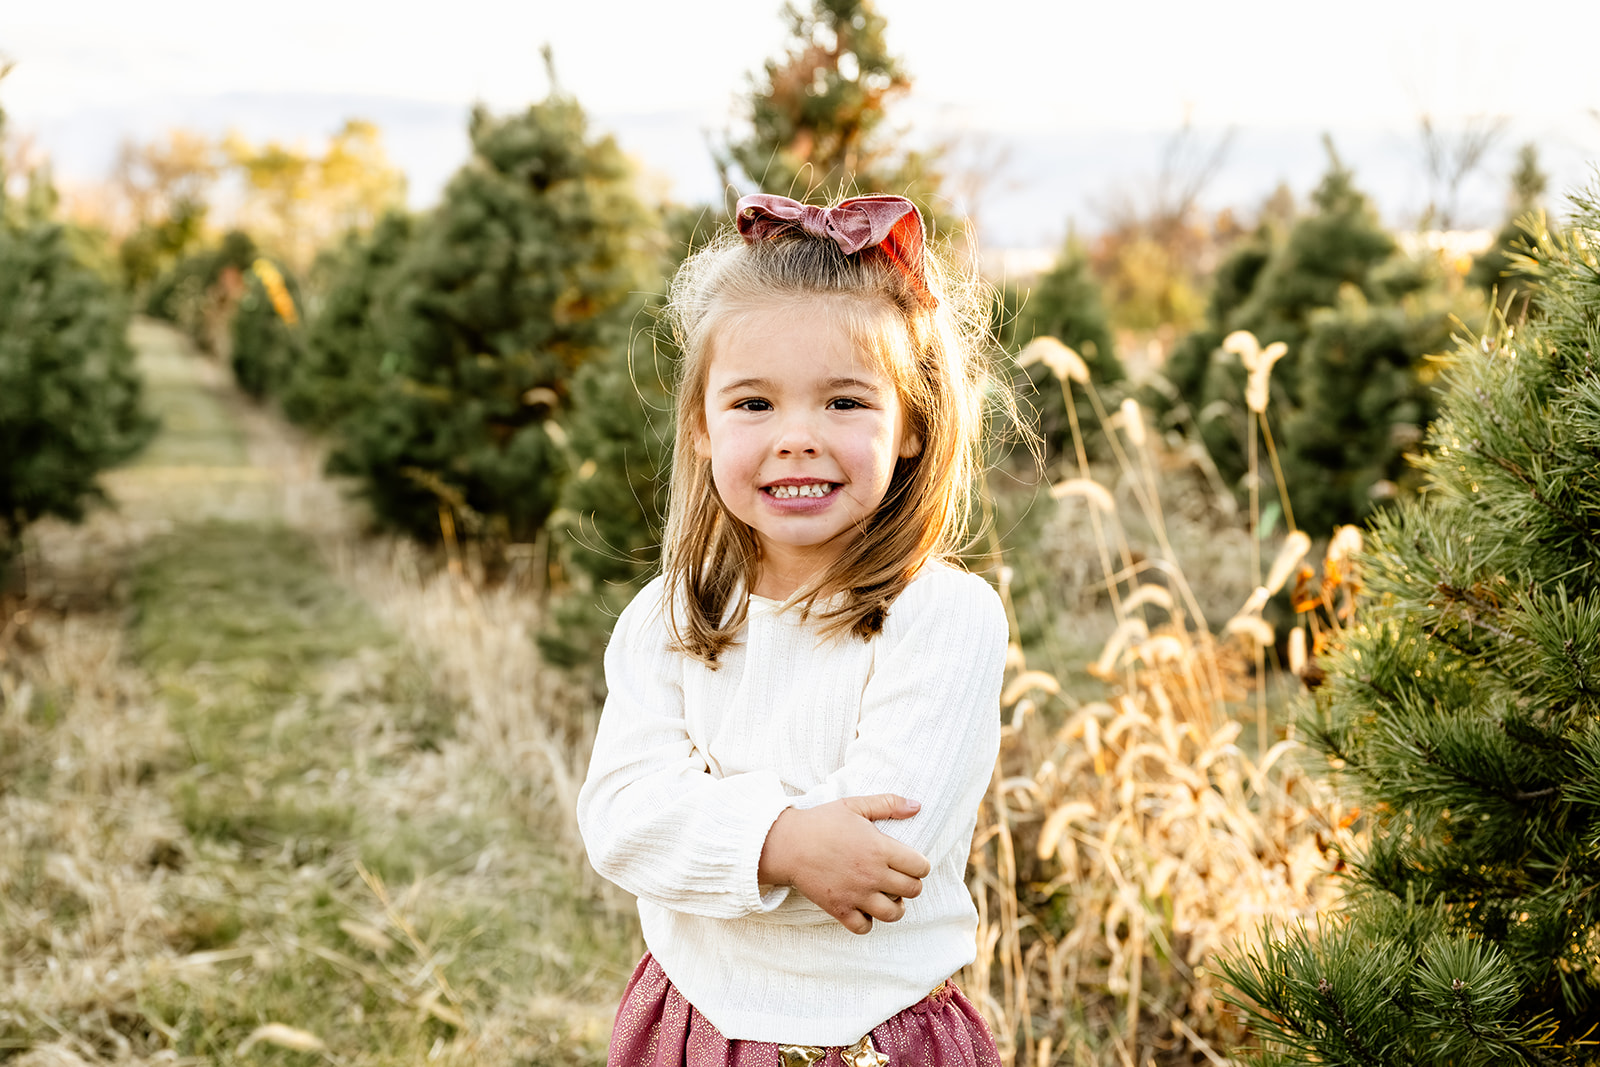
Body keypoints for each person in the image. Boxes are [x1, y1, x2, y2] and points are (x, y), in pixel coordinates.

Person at [577, 192, 1009, 1066]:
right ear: (700, 426)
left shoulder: (942, 618)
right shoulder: (672, 613)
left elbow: (880, 859)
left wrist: (710, 826)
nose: (798, 439)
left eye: (845, 403)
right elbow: (621, 817)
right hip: (693, 1025)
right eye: (754, 404)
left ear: (914, 423)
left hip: (873, 1037)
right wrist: (781, 841)